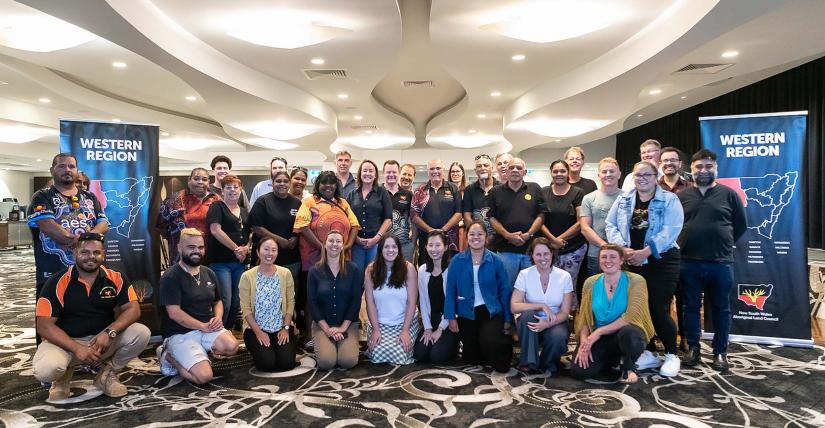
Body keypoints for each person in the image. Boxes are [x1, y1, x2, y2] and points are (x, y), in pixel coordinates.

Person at [33, 232, 150, 401]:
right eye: (85, 252)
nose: (91, 257)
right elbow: (44, 326)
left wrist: (110, 332)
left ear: (104, 254)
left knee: (141, 333)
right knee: (46, 369)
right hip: (65, 343)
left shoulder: (116, 277)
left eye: (96, 253)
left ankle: (106, 375)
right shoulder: (56, 282)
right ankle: (62, 378)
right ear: (75, 253)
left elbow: (133, 310)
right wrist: (76, 348)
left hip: (100, 342)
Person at [606, 161, 684, 377]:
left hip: (662, 260)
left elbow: (672, 229)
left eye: (646, 175)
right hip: (631, 259)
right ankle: (649, 352)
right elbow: (611, 225)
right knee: (640, 308)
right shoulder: (624, 199)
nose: (642, 179)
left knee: (658, 307)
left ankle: (671, 354)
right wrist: (624, 249)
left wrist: (647, 252)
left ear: (655, 176)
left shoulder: (669, 199)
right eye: (638, 175)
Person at [679, 149, 747, 372]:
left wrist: (723, 242)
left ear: (716, 168)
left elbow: (740, 225)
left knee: (721, 308)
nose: (704, 170)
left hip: (720, 262)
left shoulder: (729, 194)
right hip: (688, 261)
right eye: (699, 167)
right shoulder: (683, 196)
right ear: (692, 169)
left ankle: (720, 352)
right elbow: (675, 225)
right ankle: (693, 349)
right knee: (689, 307)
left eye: (708, 166)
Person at [156, 228, 239, 384]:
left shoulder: (209, 272)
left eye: (200, 248)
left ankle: (199, 353)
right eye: (191, 247)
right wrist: (202, 326)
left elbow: (218, 301)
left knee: (232, 346)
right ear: (179, 248)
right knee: (203, 377)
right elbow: (174, 313)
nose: (197, 251)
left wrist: (218, 318)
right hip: (180, 333)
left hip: (206, 327)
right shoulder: (170, 277)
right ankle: (167, 356)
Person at [570, 245, 655, 384]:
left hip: (625, 333)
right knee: (579, 371)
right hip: (600, 337)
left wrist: (598, 333)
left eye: (613, 257)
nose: (607, 260)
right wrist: (584, 342)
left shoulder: (636, 280)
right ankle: (614, 360)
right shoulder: (590, 283)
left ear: (621, 260)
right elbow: (585, 317)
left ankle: (629, 366)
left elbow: (631, 317)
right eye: (603, 257)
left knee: (631, 334)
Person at [29, 153, 109, 297]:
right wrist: (83, 241)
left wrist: (84, 238)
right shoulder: (42, 196)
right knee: (51, 313)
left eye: (71, 166)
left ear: (76, 170)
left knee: (88, 311)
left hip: (88, 272)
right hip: (54, 272)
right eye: (62, 166)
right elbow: (48, 225)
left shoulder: (90, 197)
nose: (67, 170)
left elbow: (103, 223)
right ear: (52, 170)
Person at [294, 171, 360, 341]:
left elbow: (355, 225)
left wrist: (349, 245)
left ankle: (340, 330)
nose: (328, 186)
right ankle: (310, 337)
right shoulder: (309, 202)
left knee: (340, 294)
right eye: (324, 182)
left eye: (332, 183)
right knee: (313, 297)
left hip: (340, 259)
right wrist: (323, 247)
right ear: (318, 185)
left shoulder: (343, 203)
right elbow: (302, 225)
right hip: (312, 259)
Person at [444, 221, 513, 373]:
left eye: (480, 234)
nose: (476, 238)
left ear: (486, 237)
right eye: (472, 234)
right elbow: (450, 291)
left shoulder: (496, 260)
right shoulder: (456, 261)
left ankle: (502, 348)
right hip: (466, 313)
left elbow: (505, 291)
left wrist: (508, 319)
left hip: (490, 312)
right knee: (471, 357)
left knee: (492, 344)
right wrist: (451, 317)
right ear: (466, 237)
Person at [510, 238, 573, 375]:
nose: (542, 258)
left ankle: (547, 362)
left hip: (555, 320)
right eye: (538, 254)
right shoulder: (524, 274)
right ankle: (528, 362)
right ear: (532, 255)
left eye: (546, 254)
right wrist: (541, 305)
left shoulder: (564, 276)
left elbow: (565, 312)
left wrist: (548, 324)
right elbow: (514, 306)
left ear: (552, 254)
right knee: (527, 315)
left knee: (558, 335)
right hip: (530, 321)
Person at [307, 231, 363, 370]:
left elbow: (355, 301)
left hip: (348, 324)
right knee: (327, 362)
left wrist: (342, 328)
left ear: (343, 245)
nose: (334, 244)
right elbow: (312, 303)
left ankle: (342, 344)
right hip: (322, 325)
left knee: (347, 361)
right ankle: (324, 343)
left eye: (338, 241)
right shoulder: (314, 271)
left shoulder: (353, 269)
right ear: (325, 245)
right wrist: (327, 329)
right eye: (331, 241)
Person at [239, 237, 297, 372]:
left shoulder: (285, 273)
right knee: (267, 365)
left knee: (287, 364)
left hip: (281, 326)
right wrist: (259, 332)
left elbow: (290, 302)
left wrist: (286, 328)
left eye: (273, 250)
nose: (269, 253)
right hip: (256, 329)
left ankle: (275, 348)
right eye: (266, 249)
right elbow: (246, 308)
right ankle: (261, 350)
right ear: (258, 252)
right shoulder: (247, 276)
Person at [658, 147, 694, 352]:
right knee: (661, 299)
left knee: (685, 299)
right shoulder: (653, 187)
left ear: (680, 164)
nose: (669, 163)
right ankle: (659, 335)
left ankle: (686, 339)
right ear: (660, 164)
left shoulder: (691, 188)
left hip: (686, 252)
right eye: (665, 160)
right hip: (661, 253)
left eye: (673, 160)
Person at [488, 157, 544, 287]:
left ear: (524, 172)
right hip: (505, 250)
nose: (515, 170)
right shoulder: (495, 192)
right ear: (506, 172)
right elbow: (491, 218)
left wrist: (529, 234)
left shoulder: (535, 189)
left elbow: (541, 214)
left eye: (519, 168)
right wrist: (508, 235)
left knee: (532, 287)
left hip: (531, 250)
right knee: (506, 287)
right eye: (511, 167)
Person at [364, 235, 419, 364]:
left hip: (404, 322)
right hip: (380, 323)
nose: (390, 250)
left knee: (400, 355)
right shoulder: (371, 270)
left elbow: (412, 302)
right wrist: (376, 330)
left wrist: (405, 330)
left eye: (394, 247)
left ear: (399, 250)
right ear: (380, 250)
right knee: (377, 355)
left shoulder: (408, 268)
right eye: (386, 247)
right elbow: (369, 302)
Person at [206, 174, 251, 329]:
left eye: (235, 187)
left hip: (239, 263)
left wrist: (247, 247)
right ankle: (218, 332)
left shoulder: (245, 211)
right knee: (225, 299)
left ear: (241, 190)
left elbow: (251, 233)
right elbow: (215, 230)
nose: (232, 190)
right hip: (220, 262)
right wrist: (236, 249)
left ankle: (229, 330)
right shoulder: (216, 206)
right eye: (228, 187)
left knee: (236, 301)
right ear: (223, 190)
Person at [247, 170, 301, 291]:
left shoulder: (296, 203)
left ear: (290, 184)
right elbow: (256, 227)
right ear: (272, 183)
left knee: (290, 293)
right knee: (267, 293)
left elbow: (302, 225)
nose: (282, 184)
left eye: (285, 181)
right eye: (278, 181)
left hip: (291, 258)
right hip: (268, 257)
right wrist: (280, 241)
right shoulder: (263, 201)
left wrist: (296, 238)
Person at [156, 167, 220, 263]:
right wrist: (177, 237)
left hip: (211, 257)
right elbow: (161, 225)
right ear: (189, 180)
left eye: (204, 179)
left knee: (207, 277)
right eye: (196, 178)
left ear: (209, 182)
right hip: (181, 256)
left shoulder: (217, 199)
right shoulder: (175, 199)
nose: (200, 182)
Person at [540, 160, 587, 289]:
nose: (559, 174)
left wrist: (560, 239)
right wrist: (553, 240)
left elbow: (580, 222)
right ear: (551, 173)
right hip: (549, 248)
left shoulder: (578, 192)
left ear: (568, 173)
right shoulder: (543, 192)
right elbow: (540, 221)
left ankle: (570, 309)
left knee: (569, 285)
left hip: (573, 248)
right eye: (555, 171)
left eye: (562, 171)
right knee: (549, 285)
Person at [414, 230, 458, 363]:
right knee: (419, 354)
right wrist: (427, 328)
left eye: (438, 245)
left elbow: (454, 303)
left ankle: (454, 344)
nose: (434, 249)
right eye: (430, 245)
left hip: (448, 320)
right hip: (431, 319)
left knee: (436, 356)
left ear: (445, 247)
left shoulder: (452, 269)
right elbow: (423, 301)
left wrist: (440, 329)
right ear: (426, 247)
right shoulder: (422, 270)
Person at [411, 159, 462, 265]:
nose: (435, 171)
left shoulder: (454, 188)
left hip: (450, 240)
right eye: (432, 169)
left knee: (450, 271)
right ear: (428, 171)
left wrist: (442, 230)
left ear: (443, 170)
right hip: (426, 240)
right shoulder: (420, 190)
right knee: (426, 271)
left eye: (438, 168)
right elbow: (414, 216)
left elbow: (459, 214)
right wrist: (431, 231)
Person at [347, 160, 393, 274]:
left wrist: (376, 238)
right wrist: (355, 238)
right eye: (365, 170)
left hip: (376, 244)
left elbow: (388, 219)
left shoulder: (382, 192)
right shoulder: (352, 194)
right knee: (357, 277)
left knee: (374, 276)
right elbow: (347, 219)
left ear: (376, 174)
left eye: (371, 171)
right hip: (356, 244)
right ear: (360, 173)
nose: (368, 173)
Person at [580, 158, 623, 279]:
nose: (608, 174)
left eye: (612, 171)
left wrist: (616, 249)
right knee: (596, 292)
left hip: (622, 255)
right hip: (596, 255)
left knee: (621, 292)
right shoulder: (589, 198)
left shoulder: (628, 197)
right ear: (599, 175)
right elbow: (585, 228)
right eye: (604, 172)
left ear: (619, 174)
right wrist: (605, 247)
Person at [383, 160, 415, 262]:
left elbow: (414, 219)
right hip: (383, 244)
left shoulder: (409, 195)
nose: (391, 175)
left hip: (404, 244)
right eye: (388, 172)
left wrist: (413, 243)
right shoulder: (377, 192)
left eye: (394, 172)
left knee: (405, 274)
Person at [463, 154, 498, 238]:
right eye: (479, 166)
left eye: (486, 165)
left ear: (492, 168)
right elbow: (467, 216)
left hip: (498, 239)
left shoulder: (501, 188)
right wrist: (478, 235)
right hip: (478, 238)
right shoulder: (469, 190)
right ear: (475, 170)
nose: (482, 168)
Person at [448, 161, 468, 251]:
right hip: (448, 229)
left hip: (462, 230)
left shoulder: (468, 191)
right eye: (453, 172)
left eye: (457, 171)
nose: (455, 174)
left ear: (462, 173)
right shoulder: (445, 192)